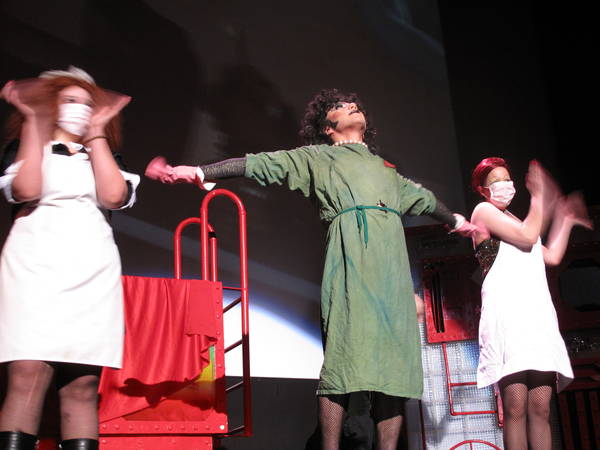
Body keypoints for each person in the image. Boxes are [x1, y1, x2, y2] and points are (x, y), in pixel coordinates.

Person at [146, 88, 477, 450]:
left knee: (394, 369)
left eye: (353, 104)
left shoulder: (385, 169)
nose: (351, 106)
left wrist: (458, 221)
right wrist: (198, 171)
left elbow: (425, 199)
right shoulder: (317, 158)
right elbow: (258, 164)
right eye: (339, 107)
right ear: (327, 128)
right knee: (343, 360)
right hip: (351, 265)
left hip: (392, 272)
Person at [0, 67, 140, 450]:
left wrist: (96, 134)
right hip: (33, 266)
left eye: (86, 103)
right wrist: (34, 120)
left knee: (82, 384)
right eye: (70, 101)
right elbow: (26, 188)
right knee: (27, 373)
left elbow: (114, 196)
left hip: (92, 268)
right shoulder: (26, 147)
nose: (79, 109)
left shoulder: (104, 155)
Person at [469, 157, 592, 449]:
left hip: (537, 317)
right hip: (508, 319)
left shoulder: (516, 221)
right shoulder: (483, 212)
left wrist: (565, 220)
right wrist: (539, 196)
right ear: (483, 190)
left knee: (541, 408)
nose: (505, 185)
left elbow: (550, 256)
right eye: (496, 181)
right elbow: (528, 236)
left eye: (507, 179)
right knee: (516, 407)